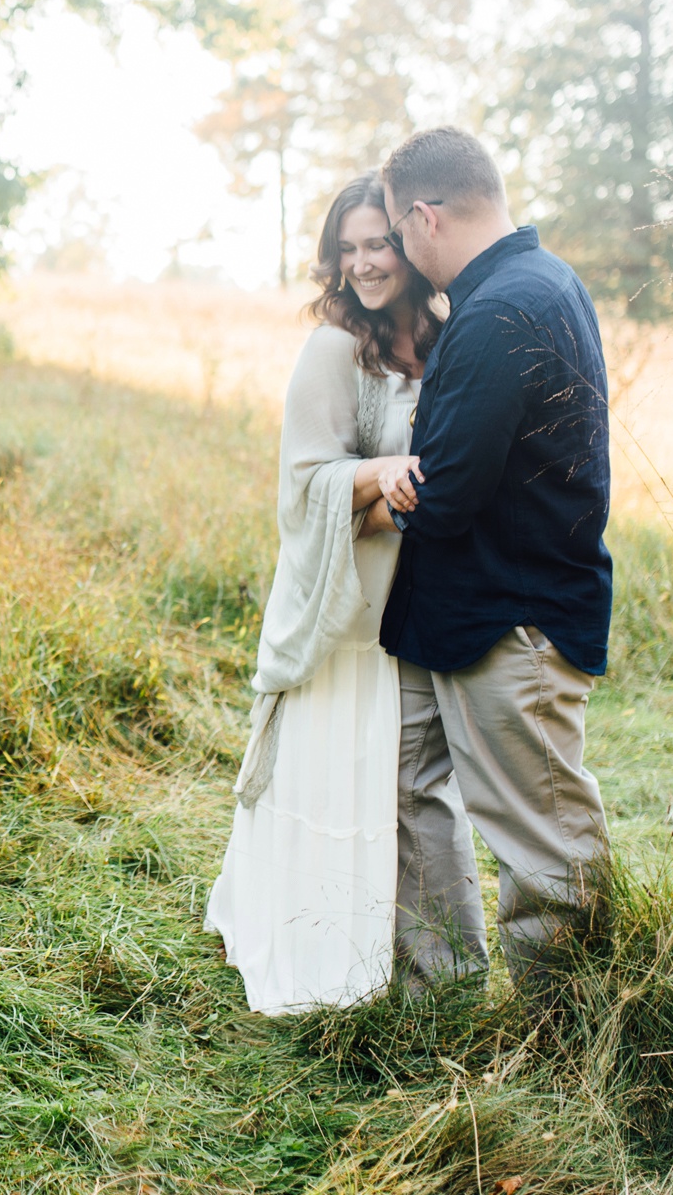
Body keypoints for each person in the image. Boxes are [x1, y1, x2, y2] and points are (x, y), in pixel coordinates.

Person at [371, 127, 615, 1009]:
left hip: (512, 621)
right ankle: (443, 995)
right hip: (468, 612)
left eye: (398, 233)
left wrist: (386, 486)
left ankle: (573, 1036)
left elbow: (446, 491)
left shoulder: (502, 309)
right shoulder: (540, 282)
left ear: (425, 218)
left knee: (544, 841)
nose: (398, 251)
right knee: (411, 792)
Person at [203, 174, 444, 1014]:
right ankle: (310, 948)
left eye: (377, 242)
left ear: (412, 240)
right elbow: (304, 484)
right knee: (329, 778)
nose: (364, 263)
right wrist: (383, 477)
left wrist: (396, 497)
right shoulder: (334, 347)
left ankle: (378, 947)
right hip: (340, 609)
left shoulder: (445, 340)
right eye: (347, 248)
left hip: (407, 611)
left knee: (389, 789)